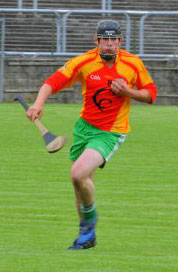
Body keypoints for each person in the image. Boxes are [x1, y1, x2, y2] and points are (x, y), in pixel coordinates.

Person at [25, 19, 158, 250]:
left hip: (110, 132)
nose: (108, 44)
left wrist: (128, 92)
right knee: (81, 184)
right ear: (96, 41)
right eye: (104, 40)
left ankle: (90, 219)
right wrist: (38, 104)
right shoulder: (84, 62)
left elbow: (151, 94)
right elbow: (52, 82)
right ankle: (86, 236)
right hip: (84, 128)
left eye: (113, 39)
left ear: (120, 41)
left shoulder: (133, 64)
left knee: (78, 173)